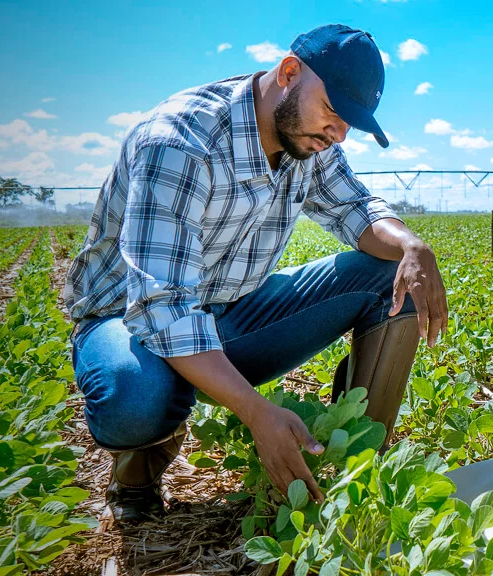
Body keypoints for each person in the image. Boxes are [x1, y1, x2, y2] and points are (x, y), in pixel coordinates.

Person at [63, 24, 449, 523]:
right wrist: (256, 412)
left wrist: (411, 245)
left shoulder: (310, 140)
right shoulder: (180, 141)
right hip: (130, 323)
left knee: (393, 272)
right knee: (134, 394)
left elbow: (355, 209)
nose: (339, 133)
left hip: (230, 316)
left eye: (350, 123)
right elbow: (163, 308)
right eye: (335, 112)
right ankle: (139, 466)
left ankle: (352, 472)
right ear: (290, 73)